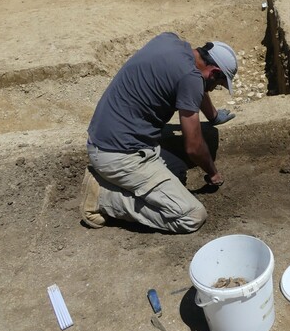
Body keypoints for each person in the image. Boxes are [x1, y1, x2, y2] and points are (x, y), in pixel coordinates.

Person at [80, 32, 237, 233]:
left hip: (106, 139)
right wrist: (213, 173)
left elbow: (198, 83)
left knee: (177, 172)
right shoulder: (191, 78)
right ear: (214, 71)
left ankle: (116, 184)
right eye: (218, 84)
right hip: (119, 156)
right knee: (191, 216)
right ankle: (103, 198)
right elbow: (194, 146)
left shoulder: (170, 41)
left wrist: (213, 116)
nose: (215, 89)